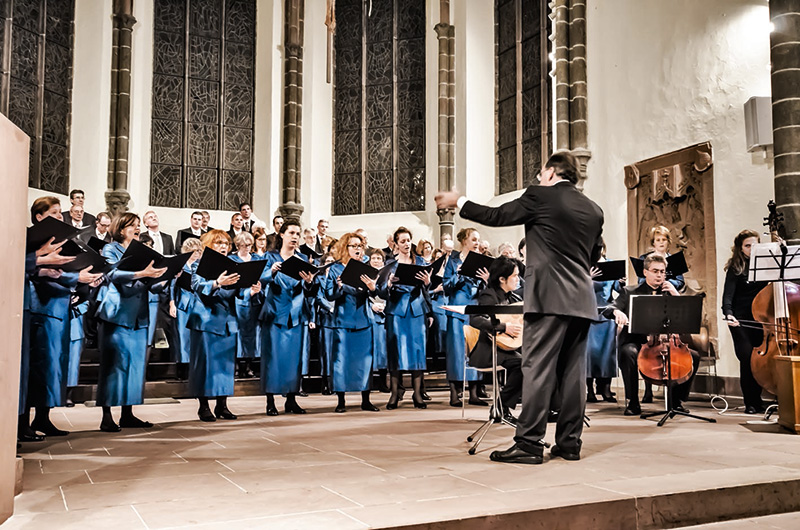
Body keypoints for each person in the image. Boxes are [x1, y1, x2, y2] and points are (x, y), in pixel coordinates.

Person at [435, 150, 604, 465]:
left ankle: (529, 444)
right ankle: (569, 444)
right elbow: (593, 257)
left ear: (551, 173)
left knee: (537, 369)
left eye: (541, 173)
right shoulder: (593, 210)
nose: (539, 178)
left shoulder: (541, 196)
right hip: (581, 300)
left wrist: (459, 202)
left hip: (550, 298)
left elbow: (498, 216)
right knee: (572, 374)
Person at [25, 197, 101, 437]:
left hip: (60, 307)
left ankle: (43, 418)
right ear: (39, 217)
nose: (60, 217)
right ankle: (23, 422)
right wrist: (75, 278)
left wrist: (87, 275)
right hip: (42, 307)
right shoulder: (32, 240)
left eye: (60, 213)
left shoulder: (62, 242)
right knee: (38, 366)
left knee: (53, 366)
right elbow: (40, 273)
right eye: (55, 213)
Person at [603, 254, 700, 416]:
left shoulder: (670, 292)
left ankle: (677, 401)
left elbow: (687, 320)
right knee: (628, 352)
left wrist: (676, 296)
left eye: (662, 272)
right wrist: (617, 312)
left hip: (666, 342)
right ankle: (633, 402)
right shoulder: (630, 291)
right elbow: (609, 309)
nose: (660, 275)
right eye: (655, 271)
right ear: (645, 272)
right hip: (637, 342)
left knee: (694, 357)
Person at [96, 213, 167, 432]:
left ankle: (127, 413)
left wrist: (165, 277)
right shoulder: (110, 249)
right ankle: (107, 416)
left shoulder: (143, 252)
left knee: (135, 367)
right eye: (132, 226)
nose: (137, 229)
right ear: (120, 228)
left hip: (139, 315)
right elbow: (112, 274)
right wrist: (141, 273)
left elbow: (151, 285)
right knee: (113, 365)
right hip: (117, 313)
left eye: (138, 226)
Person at [188, 230, 253, 421]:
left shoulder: (235, 266)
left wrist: (249, 287)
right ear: (209, 244)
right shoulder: (199, 264)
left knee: (225, 366)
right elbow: (197, 286)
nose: (223, 246)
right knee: (205, 365)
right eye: (218, 243)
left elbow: (239, 294)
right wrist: (217, 283)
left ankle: (222, 405)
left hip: (228, 321)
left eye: (226, 242)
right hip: (206, 320)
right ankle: (203, 406)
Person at [259, 219, 318, 415]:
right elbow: (260, 279)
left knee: (294, 359)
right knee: (273, 357)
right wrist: (271, 271)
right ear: (282, 234)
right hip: (275, 311)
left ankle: (291, 399)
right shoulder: (269, 257)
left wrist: (309, 282)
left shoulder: (302, 258)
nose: (295, 237)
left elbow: (310, 290)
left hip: (297, 312)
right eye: (291, 233)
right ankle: (270, 401)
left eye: (297, 234)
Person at [378, 227, 432, 410]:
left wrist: (427, 283)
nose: (406, 244)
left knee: (418, 351)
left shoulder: (421, 261)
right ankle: (394, 394)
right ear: (396, 243)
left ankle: (417, 394)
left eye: (408, 240)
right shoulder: (390, 265)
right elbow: (381, 291)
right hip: (397, 311)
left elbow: (428, 290)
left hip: (417, 310)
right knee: (396, 351)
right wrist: (389, 283)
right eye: (402, 241)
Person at [325, 233, 380, 413]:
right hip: (343, 318)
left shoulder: (366, 268)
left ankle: (366, 399)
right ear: (345, 248)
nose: (357, 249)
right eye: (353, 245)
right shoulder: (335, 269)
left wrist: (372, 288)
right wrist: (338, 287)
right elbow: (329, 295)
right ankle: (341, 400)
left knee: (364, 362)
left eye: (359, 245)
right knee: (341, 361)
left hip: (363, 318)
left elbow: (373, 294)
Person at [468, 256, 524, 423]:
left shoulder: (513, 298)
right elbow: (475, 319)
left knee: (532, 363)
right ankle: (500, 407)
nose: (518, 279)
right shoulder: (489, 295)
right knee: (523, 365)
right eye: (514, 275)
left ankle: (503, 408)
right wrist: (504, 327)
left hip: (508, 348)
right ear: (502, 279)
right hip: (489, 350)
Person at [637, 225, 685, 403]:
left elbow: (680, 281)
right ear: (653, 242)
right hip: (651, 300)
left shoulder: (675, 260)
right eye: (658, 240)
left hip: (669, 298)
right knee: (649, 344)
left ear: (668, 242)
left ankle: (676, 397)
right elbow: (641, 281)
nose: (661, 243)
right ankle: (648, 389)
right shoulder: (645, 259)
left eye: (664, 239)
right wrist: (655, 280)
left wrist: (669, 284)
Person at [443, 228, 490, 407]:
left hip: (474, 309)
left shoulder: (480, 261)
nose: (477, 242)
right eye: (474, 239)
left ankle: (474, 393)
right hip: (457, 310)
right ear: (464, 241)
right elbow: (446, 287)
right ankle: (454, 394)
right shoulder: (453, 261)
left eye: (478, 239)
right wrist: (459, 275)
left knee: (475, 350)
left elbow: (485, 290)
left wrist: (486, 279)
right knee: (456, 352)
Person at [722, 229, 768, 414]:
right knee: (747, 357)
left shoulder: (766, 265)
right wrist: (728, 313)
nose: (752, 249)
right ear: (741, 249)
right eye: (748, 245)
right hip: (740, 320)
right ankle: (750, 402)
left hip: (762, 319)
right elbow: (728, 296)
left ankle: (759, 401)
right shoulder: (736, 268)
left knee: (760, 360)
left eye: (755, 245)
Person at [586, 242, 620, 403]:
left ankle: (606, 388)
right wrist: (588, 278)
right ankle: (590, 390)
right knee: (590, 353)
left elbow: (618, 290)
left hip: (607, 313)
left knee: (607, 353)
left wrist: (620, 281)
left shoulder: (610, 265)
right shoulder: (585, 266)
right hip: (589, 312)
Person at [171, 238, 203, 380]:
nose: (196, 254)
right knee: (182, 336)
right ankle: (182, 369)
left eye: (198, 251)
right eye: (193, 251)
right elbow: (172, 285)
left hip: (197, 303)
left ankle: (194, 369)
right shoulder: (181, 265)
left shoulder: (201, 266)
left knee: (195, 337)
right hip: (183, 302)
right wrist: (172, 303)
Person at [230, 232, 259, 378]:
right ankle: (236, 364)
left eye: (249, 245)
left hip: (254, 300)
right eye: (243, 245)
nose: (247, 248)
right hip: (237, 299)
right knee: (238, 333)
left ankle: (248, 364)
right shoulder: (232, 259)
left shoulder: (256, 258)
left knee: (251, 334)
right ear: (238, 245)